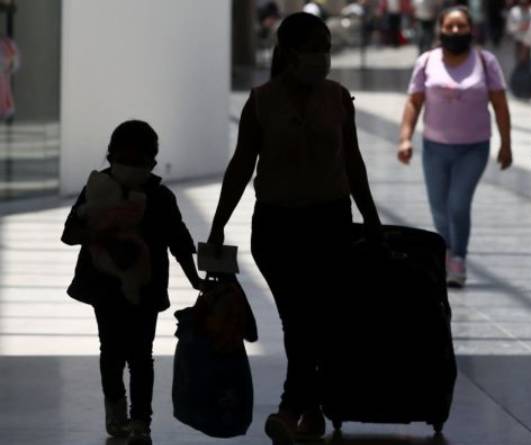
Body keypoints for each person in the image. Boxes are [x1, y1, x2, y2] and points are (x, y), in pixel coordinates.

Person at [206, 12, 382, 444]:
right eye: (312, 49)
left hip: (330, 222)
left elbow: (353, 164)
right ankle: (298, 407)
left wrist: (372, 220)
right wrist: (218, 224)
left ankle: (301, 407)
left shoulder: (338, 98)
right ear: (288, 53)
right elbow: (241, 166)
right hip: (277, 227)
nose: (321, 57)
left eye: (326, 49)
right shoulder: (261, 101)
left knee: (315, 320)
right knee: (299, 318)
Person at [61, 120, 202, 445]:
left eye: (137, 161)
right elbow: (70, 232)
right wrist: (101, 232)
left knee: (131, 353)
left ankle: (134, 418)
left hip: (127, 287)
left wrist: (195, 277)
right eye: (127, 160)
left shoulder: (155, 196)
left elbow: (179, 240)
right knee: (125, 352)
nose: (132, 168)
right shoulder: (102, 190)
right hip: (119, 288)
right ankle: (128, 416)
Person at [399, 6, 512, 287]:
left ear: (470, 29)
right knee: (439, 208)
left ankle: (458, 256)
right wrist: (405, 138)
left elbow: (499, 104)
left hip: (474, 147)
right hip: (435, 147)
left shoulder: (485, 62)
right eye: (449, 26)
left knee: (458, 204)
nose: (455, 31)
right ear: (440, 29)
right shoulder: (427, 61)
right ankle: (447, 251)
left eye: (461, 26)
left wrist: (506, 144)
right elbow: (414, 101)